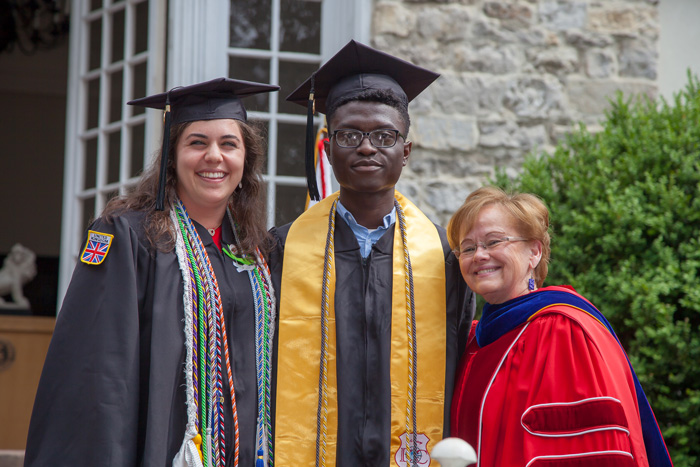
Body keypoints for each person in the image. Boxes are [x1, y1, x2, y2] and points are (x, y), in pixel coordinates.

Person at [25, 77, 279, 467]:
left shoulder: (255, 252)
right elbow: (97, 374)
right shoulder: (127, 236)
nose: (214, 156)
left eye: (229, 144)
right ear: (172, 158)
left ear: (246, 162)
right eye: (197, 142)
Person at [269, 40, 475, 466]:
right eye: (349, 134)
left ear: (406, 151)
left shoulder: (444, 256)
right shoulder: (280, 250)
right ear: (327, 149)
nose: (367, 147)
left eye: (384, 135)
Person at [447, 186, 674, 467]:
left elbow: (589, 453)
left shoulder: (561, 332)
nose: (479, 255)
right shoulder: (472, 341)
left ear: (534, 252)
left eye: (493, 242)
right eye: (468, 248)